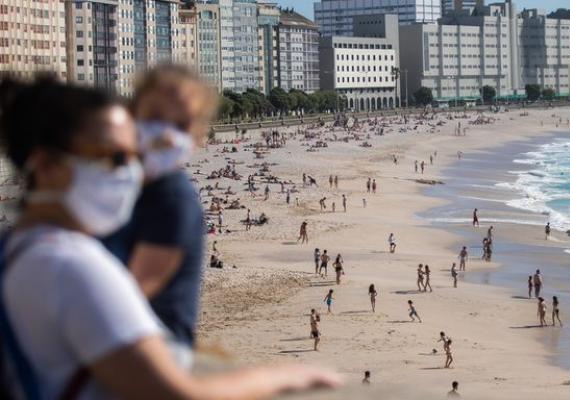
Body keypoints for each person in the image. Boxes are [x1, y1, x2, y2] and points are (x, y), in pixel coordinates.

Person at [0, 77, 340, 398]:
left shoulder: (15, 249)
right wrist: (281, 376)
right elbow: (174, 393)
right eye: (115, 157)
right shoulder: (73, 266)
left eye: (134, 156)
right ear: (45, 166)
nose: (131, 173)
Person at [101, 66, 215, 358]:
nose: (165, 134)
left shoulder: (174, 200)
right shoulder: (119, 184)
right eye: (153, 117)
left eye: (180, 125)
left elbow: (134, 291)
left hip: (159, 345)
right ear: (130, 113)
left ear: (199, 135)